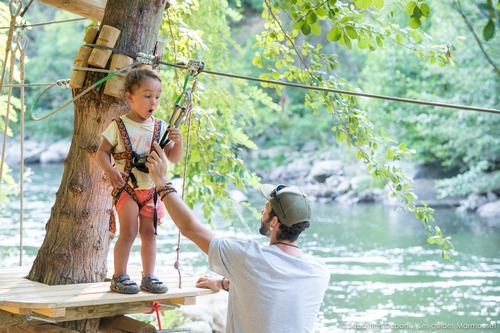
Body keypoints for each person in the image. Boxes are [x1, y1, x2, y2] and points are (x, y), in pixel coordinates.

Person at [145, 142, 330, 332]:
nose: (261, 212)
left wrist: (161, 181)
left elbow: (190, 228)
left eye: (265, 209)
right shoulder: (319, 272)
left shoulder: (250, 259)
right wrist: (224, 283)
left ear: (274, 222)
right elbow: (274, 290)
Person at [97, 68, 183, 294]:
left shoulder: (160, 127)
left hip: (153, 191)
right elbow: (102, 152)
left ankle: (149, 276)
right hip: (128, 189)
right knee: (129, 232)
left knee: (149, 234)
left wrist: (178, 142)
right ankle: (119, 276)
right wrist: (110, 171)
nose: (153, 101)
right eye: (147, 96)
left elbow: (172, 157)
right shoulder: (118, 126)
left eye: (157, 96)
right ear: (130, 97)